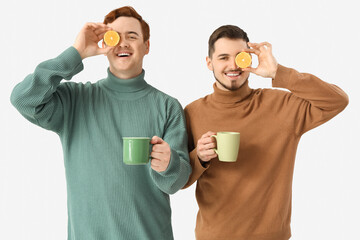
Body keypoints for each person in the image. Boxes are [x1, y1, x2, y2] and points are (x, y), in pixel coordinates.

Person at [10, 6, 191, 240]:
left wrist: (170, 163)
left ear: (147, 46)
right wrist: (76, 53)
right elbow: (23, 99)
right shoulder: (75, 100)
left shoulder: (168, 106)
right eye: (115, 37)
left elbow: (176, 183)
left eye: (132, 36)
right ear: (106, 45)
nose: (123, 43)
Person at [183, 25, 348, 240]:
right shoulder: (192, 112)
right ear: (209, 63)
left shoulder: (281, 105)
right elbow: (180, 180)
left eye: (240, 57)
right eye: (223, 57)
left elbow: (337, 101)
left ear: (250, 60)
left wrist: (279, 73)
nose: (233, 65)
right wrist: (199, 158)